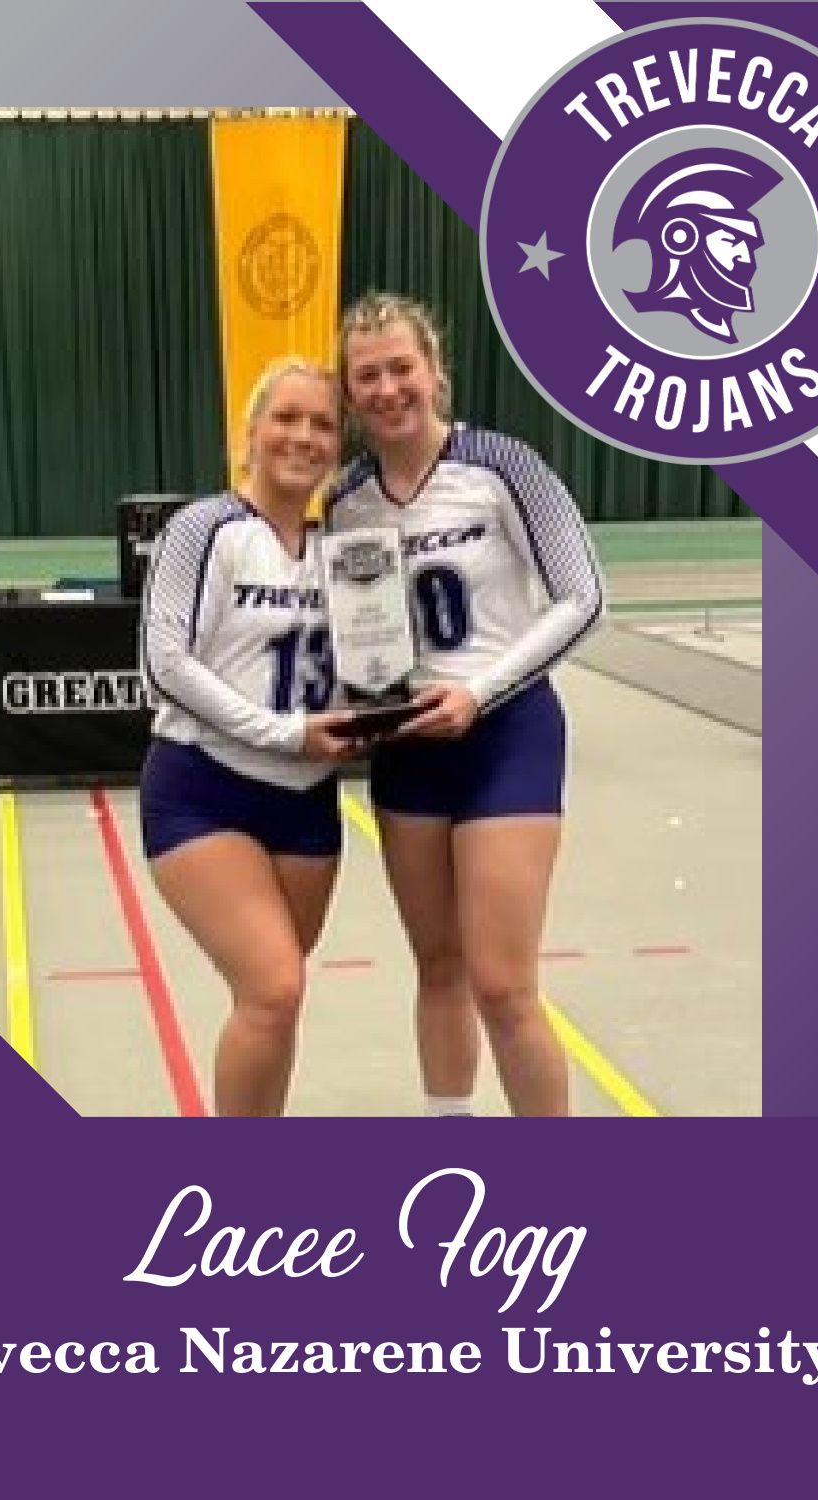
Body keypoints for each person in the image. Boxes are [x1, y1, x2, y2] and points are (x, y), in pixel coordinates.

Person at [326, 293, 605, 1117]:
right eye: (366, 375)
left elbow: (584, 598)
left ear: (434, 371)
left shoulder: (501, 466)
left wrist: (480, 692)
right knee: (438, 965)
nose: (386, 388)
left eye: (400, 367)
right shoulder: (348, 500)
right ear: (350, 394)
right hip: (410, 746)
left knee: (503, 982)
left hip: (504, 735)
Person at [139, 359, 355, 1117]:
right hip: (205, 786)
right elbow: (165, 665)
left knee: (274, 1001)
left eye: (323, 424)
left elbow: (372, 663)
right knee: (274, 985)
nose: (304, 436)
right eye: (287, 418)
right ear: (250, 433)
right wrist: (284, 732)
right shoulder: (205, 530)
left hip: (307, 804)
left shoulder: (348, 549)